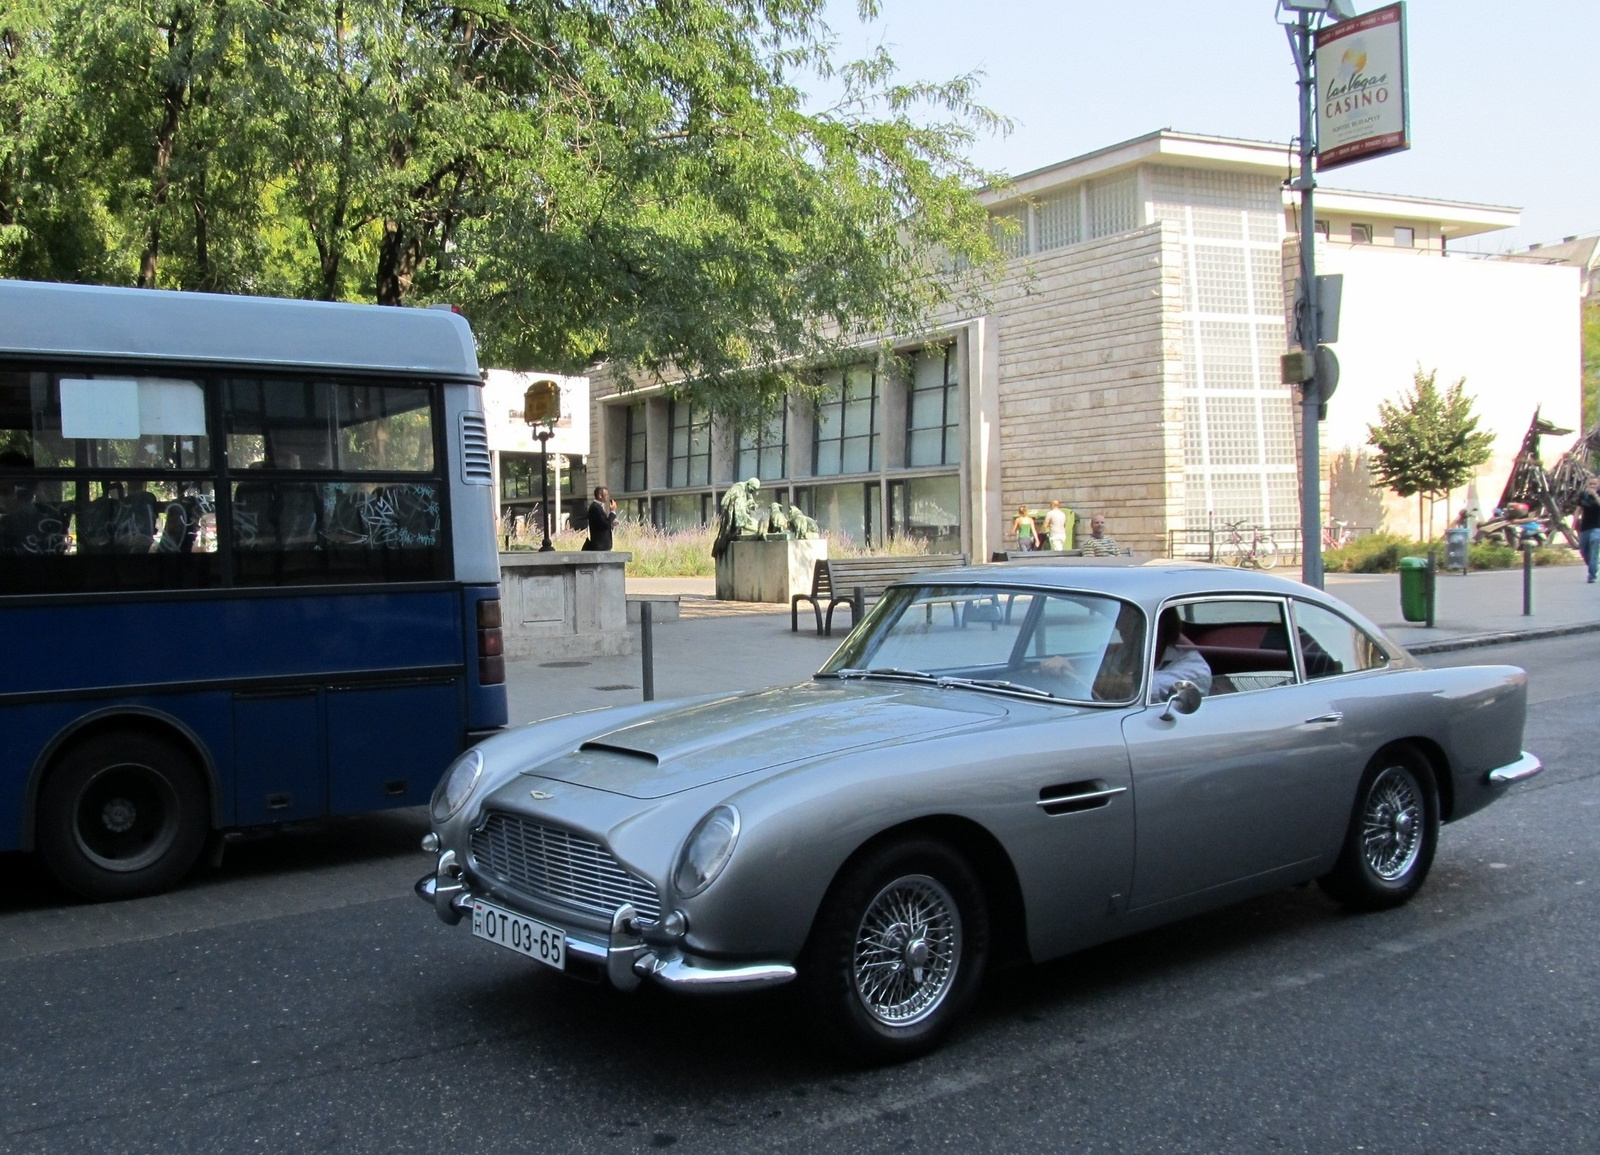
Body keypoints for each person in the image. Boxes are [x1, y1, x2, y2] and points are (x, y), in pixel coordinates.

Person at [1147, 609, 1212, 700]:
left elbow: (1148, 689)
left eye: (1126, 616)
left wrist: (1124, 684)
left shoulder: (1195, 669)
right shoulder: (1127, 653)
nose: (1119, 626)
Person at [1577, 476, 1600, 584]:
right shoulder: (1583, 495)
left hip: (1597, 527)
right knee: (1583, 550)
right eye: (1590, 484)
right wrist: (1574, 522)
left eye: (1594, 484)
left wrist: (1595, 495)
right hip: (1585, 527)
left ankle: (1592, 575)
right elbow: (1579, 509)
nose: (1592, 486)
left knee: (1594, 550)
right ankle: (1592, 565)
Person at [582, 485, 617, 551]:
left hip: (602, 545)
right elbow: (605, 524)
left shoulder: (598, 507)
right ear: (600, 496)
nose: (607, 497)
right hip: (600, 546)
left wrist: (611, 524)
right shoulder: (595, 508)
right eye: (606, 495)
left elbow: (601, 524)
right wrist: (612, 511)